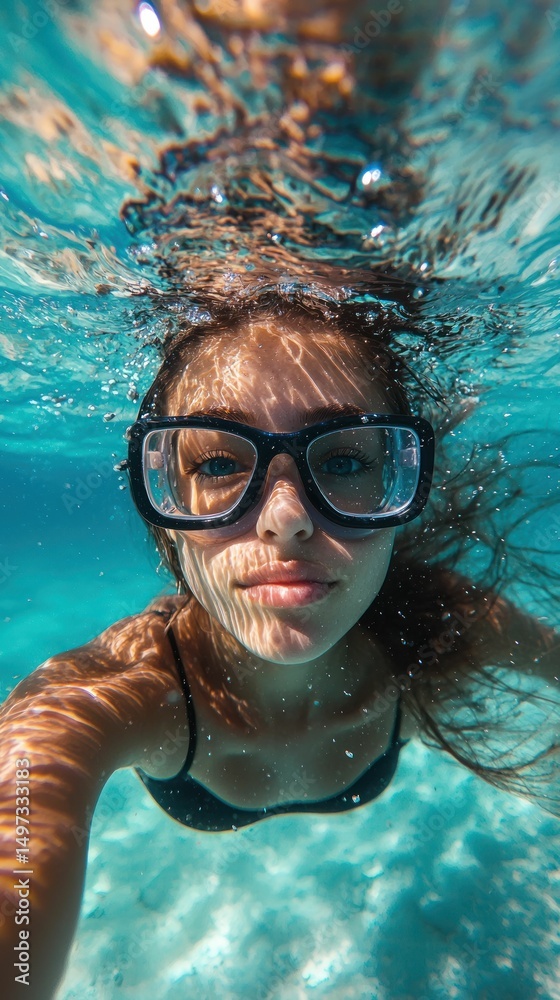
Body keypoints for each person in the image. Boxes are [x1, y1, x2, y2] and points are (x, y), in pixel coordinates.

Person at [0, 285, 558, 999]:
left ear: (402, 482)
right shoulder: (109, 698)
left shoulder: (445, 627)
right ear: (165, 503)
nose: (285, 519)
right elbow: (24, 812)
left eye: (347, 461)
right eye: (219, 464)